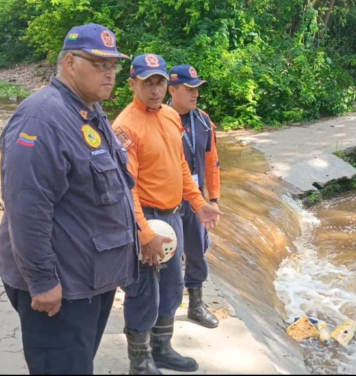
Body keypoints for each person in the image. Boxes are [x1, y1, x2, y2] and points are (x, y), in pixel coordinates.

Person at [0, 24, 138, 375]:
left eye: (114, 65)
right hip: (62, 287)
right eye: (99, 63)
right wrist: (42, 280)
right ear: (70, 62)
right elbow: (27, 208)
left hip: (88, 280)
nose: (110, 73)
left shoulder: (86, 111)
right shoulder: (41, 117)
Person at [113, 54, 223, 375]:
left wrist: (199, 203)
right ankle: (140, 361)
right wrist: (143, 231)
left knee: (174, 286)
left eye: (160, 81)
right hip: (145, 218)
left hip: (174, 215)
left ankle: (161, 348)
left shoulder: (171, 117)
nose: (155, 88)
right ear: (133, 83)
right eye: (147, 82)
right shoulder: (125, 127)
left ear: (167, 85)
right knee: (144, 290)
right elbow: (126, 187)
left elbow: (182, 167)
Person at [167, 64, 221, 329]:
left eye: (197, 88)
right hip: (165, 202)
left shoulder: (203, 121)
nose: (195, 93)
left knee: (197, 251)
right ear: (172, 90)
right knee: (168, 256)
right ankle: (165, 308)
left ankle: (196, 304)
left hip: (196, 200)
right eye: (189, 88)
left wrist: (215, 199)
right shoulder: (161, 119)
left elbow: (212, 162)